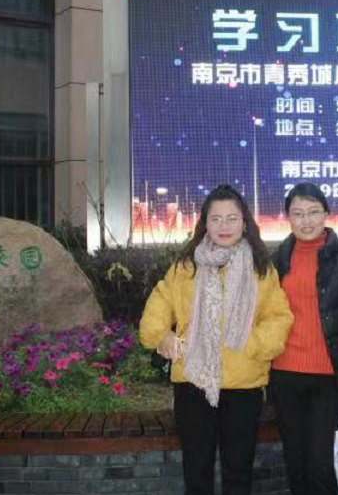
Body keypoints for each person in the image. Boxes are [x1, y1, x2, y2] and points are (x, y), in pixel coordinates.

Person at [139, 184, 292, 495]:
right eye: (216, 218)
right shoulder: (186, 266)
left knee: (238, 472)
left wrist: (252, 345)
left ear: (244, 223)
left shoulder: (261, 269)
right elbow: (161, 300)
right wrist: (161, 336)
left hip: (244, 385)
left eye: (232, 218)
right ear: (205, 223)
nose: (224, 226)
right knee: (197, 471)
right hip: (192, 382)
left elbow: (278, 318)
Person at [269, 183, 338, 495]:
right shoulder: (276, 261)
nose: (306, 221)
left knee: (323, 466)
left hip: (330, 374)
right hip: (284, 374)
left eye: (314, 212)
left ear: (327, 213)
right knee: (296, 463)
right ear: (288, 217)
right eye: (298, 213)